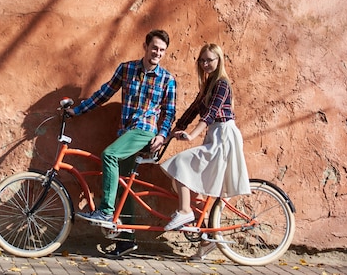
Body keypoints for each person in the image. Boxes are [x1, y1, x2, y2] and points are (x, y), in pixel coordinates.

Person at [66, 29, 176, 258]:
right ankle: (127, 241)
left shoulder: (167, 79)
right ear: (145, 46)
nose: (158, 53)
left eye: (162, 50)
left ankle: (105, 212)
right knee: (123, 187)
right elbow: (104, 94)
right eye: (154, 48)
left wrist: (162, 135)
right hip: (126, 132)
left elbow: (169, 112)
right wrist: (76, 111)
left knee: (109, 155)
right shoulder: (126, 69)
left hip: (145, 132)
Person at [160, 43, 251, 260]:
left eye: (210, 60)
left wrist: (191, 135)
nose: (205, 63)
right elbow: (192, 111)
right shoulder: (207, 85)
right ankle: (205, 238)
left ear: (219, 61)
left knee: (180, 164)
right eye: (202, 60)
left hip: (224, 137)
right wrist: (172, 131)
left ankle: (185, 212)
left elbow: (210, 114)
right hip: (215, 136)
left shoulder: (222, 84)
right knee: (185, 182)